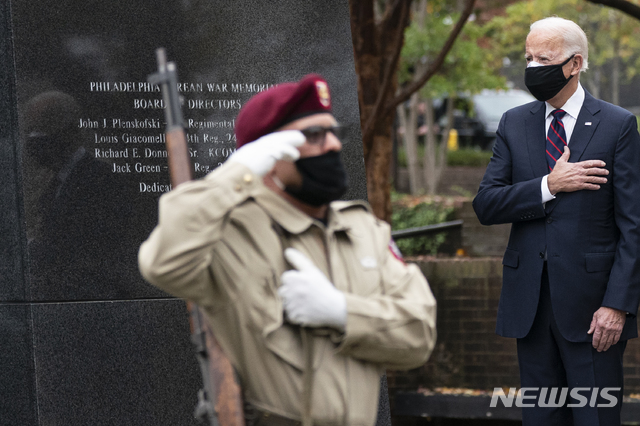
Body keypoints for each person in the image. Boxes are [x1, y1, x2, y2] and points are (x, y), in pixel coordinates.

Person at [138, 74, 436, 426]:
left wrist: (342, 313)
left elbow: (419, 335)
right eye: (313, 135)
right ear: (269, 155)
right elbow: (162, 261)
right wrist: (236, 174)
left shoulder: (362, 229)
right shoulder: (232, 233)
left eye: (333, 133)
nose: (332, 145)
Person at [473, 17, 640, 425]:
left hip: (593, 312)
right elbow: (487, 205)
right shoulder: (514, 122)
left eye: (542, 58)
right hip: (529, 307)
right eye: (527, 57)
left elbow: (633, 225)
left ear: (574, 63)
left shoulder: (617, 125)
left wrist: (617, 305)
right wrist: (549, 184)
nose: (531, 67)